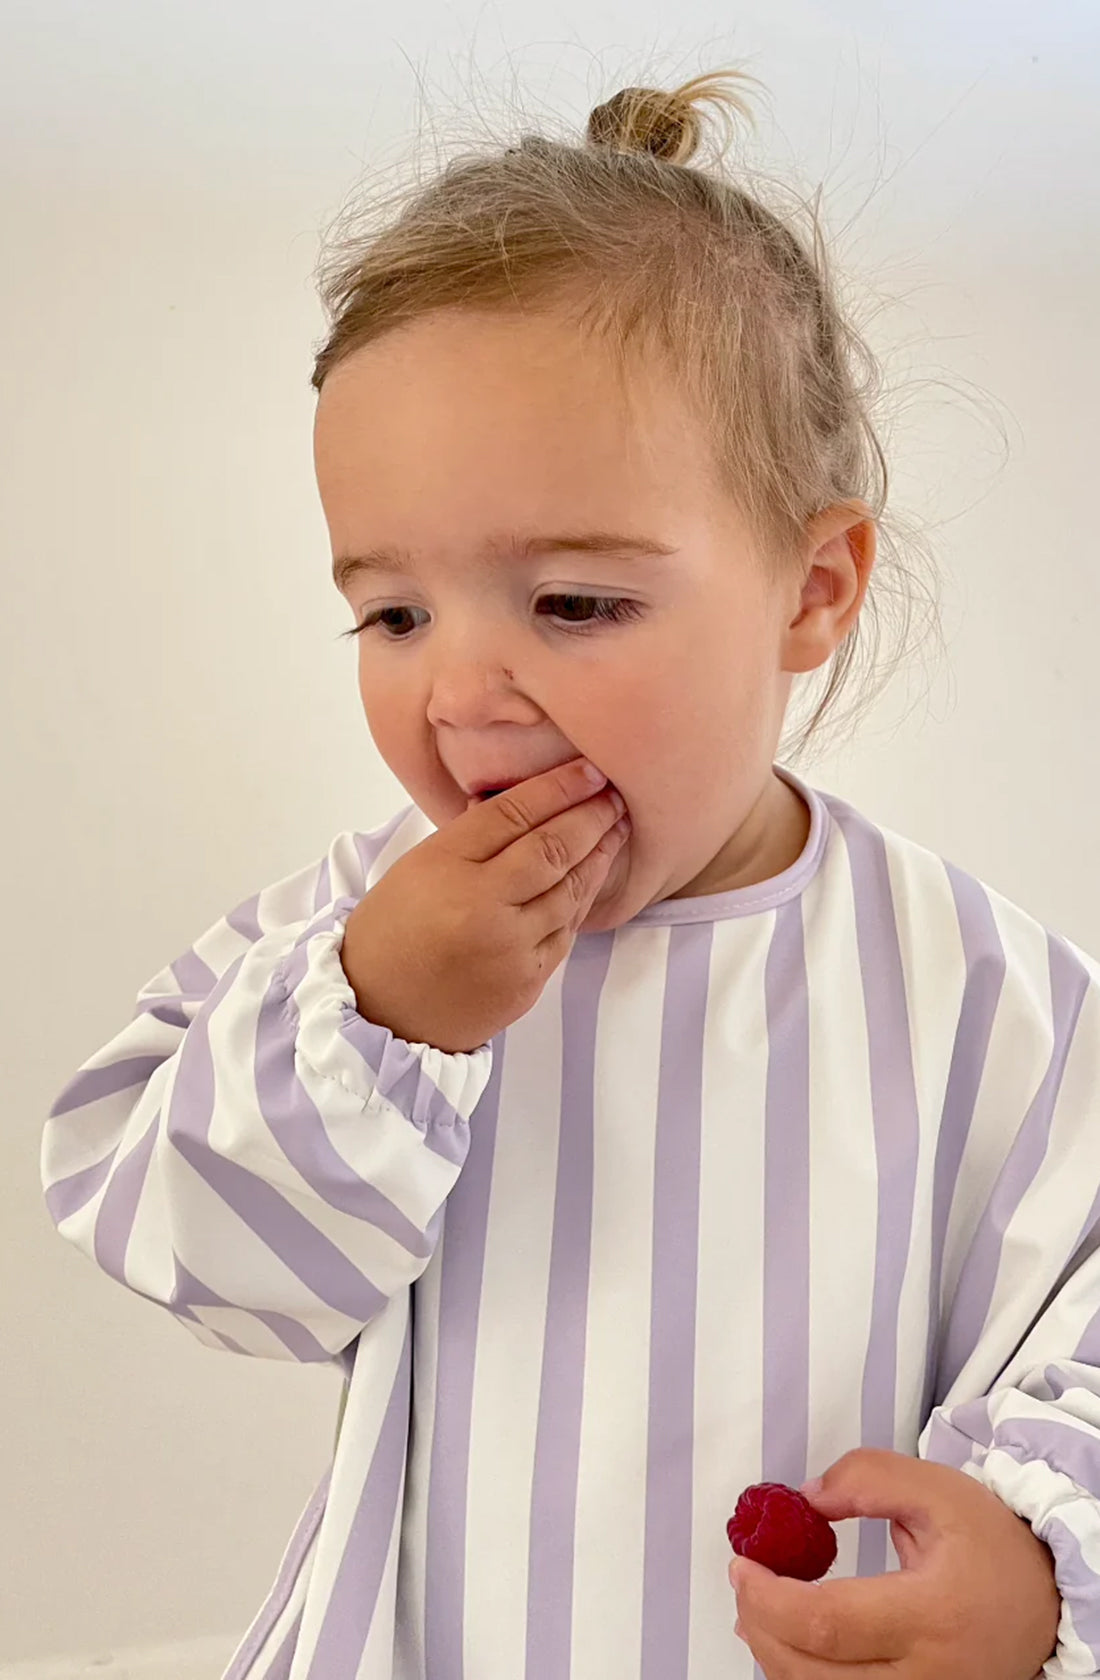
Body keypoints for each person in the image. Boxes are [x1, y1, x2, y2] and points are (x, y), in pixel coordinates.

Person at [40, 67, 1100, 1680]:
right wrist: (381, 1020)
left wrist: (1036, 1561)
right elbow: (201, 1258)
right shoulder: (351, 943)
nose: (461, 692)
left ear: (811, 592)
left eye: (576, 604)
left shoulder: (982, 997)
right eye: (393, 614)